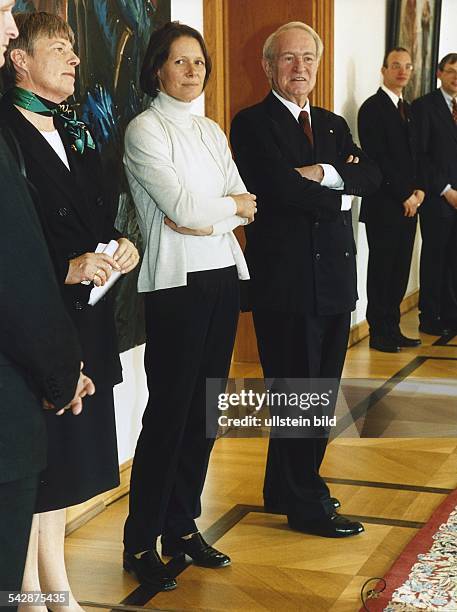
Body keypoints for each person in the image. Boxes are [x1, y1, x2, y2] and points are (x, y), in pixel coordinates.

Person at [0, 11, 139, 611]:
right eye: (58, 47)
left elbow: (92, 213)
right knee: (35, 457)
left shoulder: (75, 127)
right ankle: (26, 587)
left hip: (86, 312)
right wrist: (66, 267)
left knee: (66, 460)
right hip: (33, 319)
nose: (75, 58)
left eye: (74, 49)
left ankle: (55, 580)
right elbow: (16, 243)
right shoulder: (6, 129)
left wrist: (118, 243)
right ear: (20, 59)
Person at [230, 22, 381, 538]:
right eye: (289, 59)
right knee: (298, 394)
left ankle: (285, 486)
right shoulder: (251, 123)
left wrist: (322, 173)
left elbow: (372, 177)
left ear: (318, 65)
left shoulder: (335, 125)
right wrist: (339, 184)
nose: (300, 68)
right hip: (287, 285)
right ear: (269, 66)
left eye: (308, 59)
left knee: (321, 391)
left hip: (335, 281)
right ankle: (306, 501)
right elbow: (275, 190)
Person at [123, 21, 256, 590]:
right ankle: (139, 540)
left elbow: (244, 203)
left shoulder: (209, 130)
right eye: (181, 62)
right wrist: (218, 210)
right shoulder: (143, 130)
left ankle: (181, 526)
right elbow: (181, 208)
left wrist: (215, 212)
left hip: (224, 276)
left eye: (199, 62)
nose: (193, 71)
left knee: (204, 412)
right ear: (158, 68)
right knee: (169, 414)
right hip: (176, 285)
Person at [0, 0, 94, 597]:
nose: (10, 22)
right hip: (24, 361)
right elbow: (17, 265)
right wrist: (61, 375)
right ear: (19, 60)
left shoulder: (79, 126)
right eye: (4, 10)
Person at [358, 47, 423, 353]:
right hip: (385, 204)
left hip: (410, 204)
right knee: (382, 269)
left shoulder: (407, 108)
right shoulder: (372, 108)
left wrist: (419, 191)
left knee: (399, 270)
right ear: (383, 70)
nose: (402, 71)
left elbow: (416, 156)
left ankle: (393, 328)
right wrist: (404, 194)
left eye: (407, 66)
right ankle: (378, 332)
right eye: (395, 65)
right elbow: (378, 159)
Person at [412, 53, 457, 336]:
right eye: (451, 71)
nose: (456, 77)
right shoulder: (423, 107)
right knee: (435, 258)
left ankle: (452, 316)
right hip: (439, 198)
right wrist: (447, 190)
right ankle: (430, 317)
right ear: (439, 73)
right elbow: (422, 156)